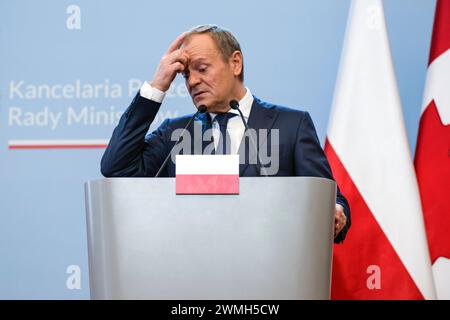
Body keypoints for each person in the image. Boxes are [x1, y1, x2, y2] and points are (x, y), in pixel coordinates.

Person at [101, 25, 350, 243]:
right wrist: (157, 87)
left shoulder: (291, 125)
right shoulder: (174, 134)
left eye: (202, 69)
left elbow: (328, 195)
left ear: (235, 63)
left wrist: (335, 211)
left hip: (272, 277)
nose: (192, 82)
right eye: (186, 74)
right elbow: (116, 166)